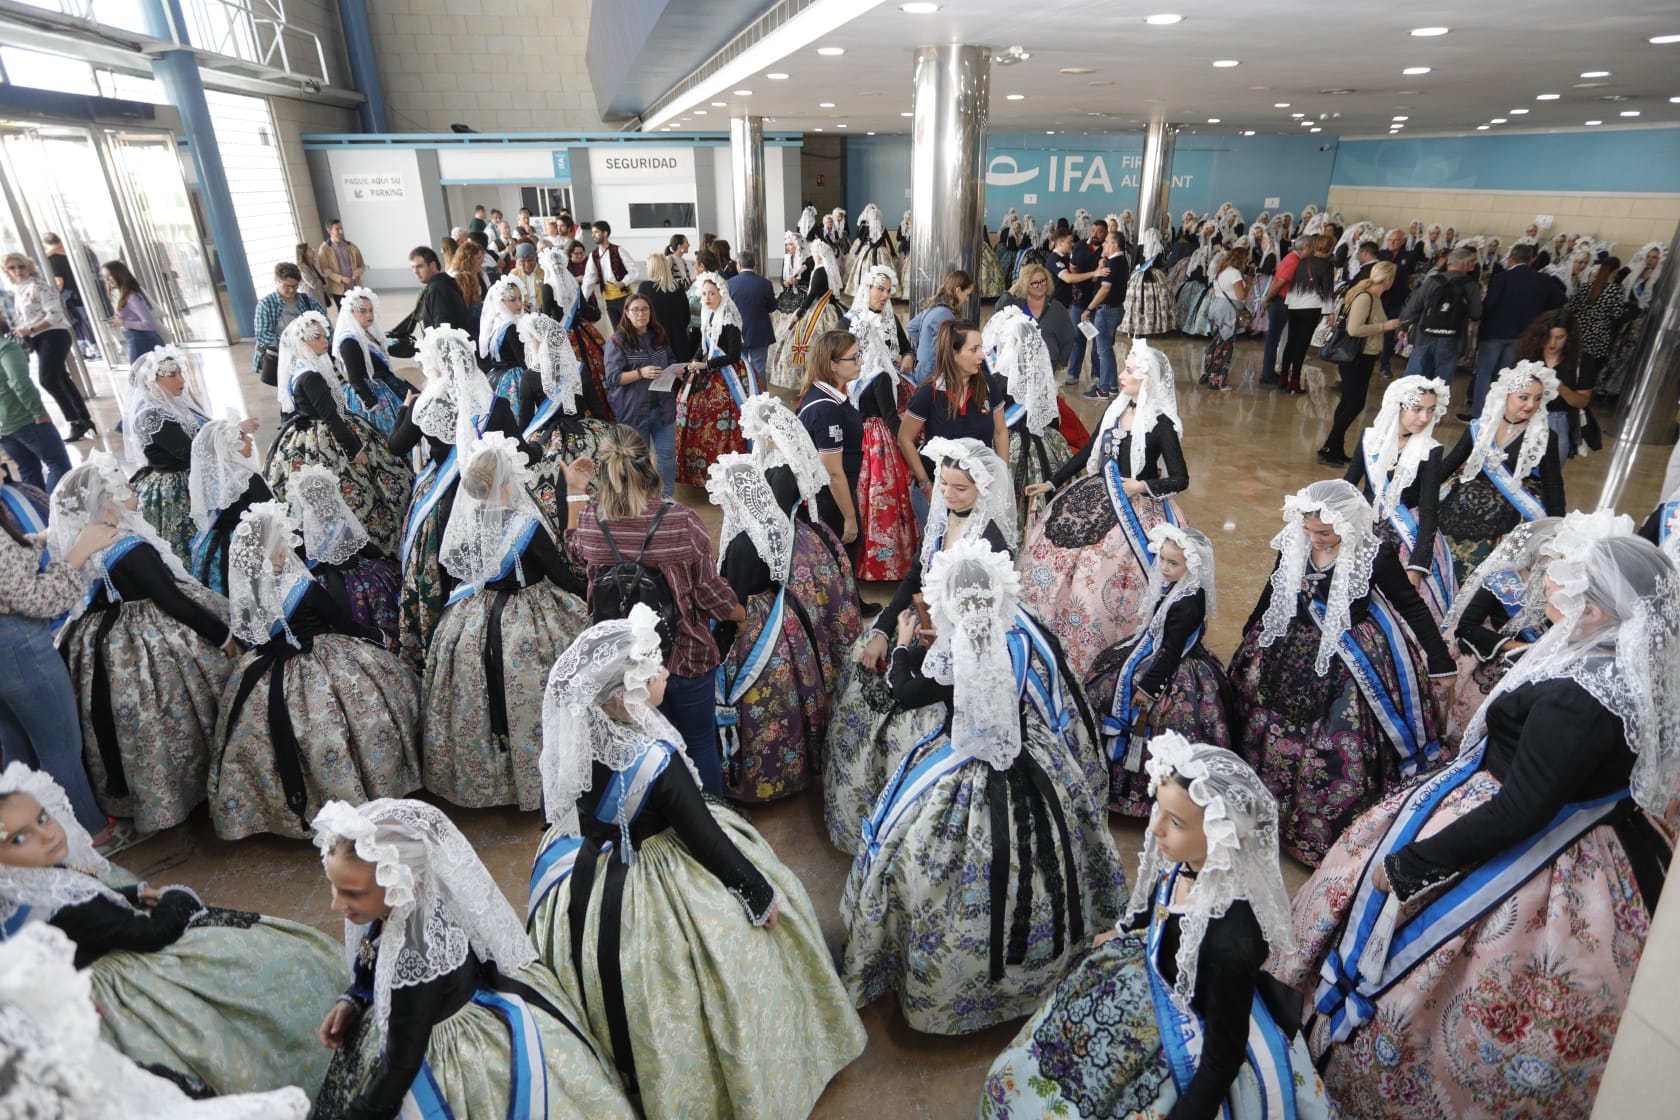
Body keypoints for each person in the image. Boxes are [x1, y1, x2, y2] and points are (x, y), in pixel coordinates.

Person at [1280, 516, 1676, 1119]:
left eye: (1564, 583)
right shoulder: (1611, 666)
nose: (1550, 587)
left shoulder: (1582, 696)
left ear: (1597, 611)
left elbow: (1522, 809)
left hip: (1531, 855)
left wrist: (1412, 863)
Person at [526, 606, 864, 1116]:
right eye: (655, 669)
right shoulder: (654, 761)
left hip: (596, 872)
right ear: (625, 695)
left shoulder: (584, 742)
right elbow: (707, 841)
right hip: (661, 874)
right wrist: (757, 892)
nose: (666, 673)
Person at [839, 538, 1124, 1034]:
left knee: (928, 867)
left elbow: (905, 694)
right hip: (1032, 757)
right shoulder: (1016, 634)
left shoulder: (954, 651)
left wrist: (904, 642)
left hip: (964, 766)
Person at [983, 734, 1333, 1119]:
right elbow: (1162, 907)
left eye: (1176, 822)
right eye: (1158, 811)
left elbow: (1222, 1059)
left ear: (1222, 832)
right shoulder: (1193, 864)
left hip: (1192, 1034)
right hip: (1151, 982)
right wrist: (1126, 929)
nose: (1156, 830)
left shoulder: (1233, 940)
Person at [0, 763, 345, 1100]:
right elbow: (149, 934)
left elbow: (83, 892)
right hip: (123, 979)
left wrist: (133, 893)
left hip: (89, 956)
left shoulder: (28, 885)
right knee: (257, 976)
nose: (46, 835)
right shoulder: (68, 905)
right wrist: (174, 899)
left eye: (42, 818)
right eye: (19, 839)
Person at [310, 798, 636, 1120]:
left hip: (442, 1058)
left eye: (352, 892)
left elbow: (401, 1067)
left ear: (408, 880)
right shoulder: (398, 905)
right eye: (335, 888)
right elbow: (372, 953)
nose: (336, 905)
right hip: (413, 1027)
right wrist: (353, 999)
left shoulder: (417, 953)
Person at [1229, 479, 1456, 866]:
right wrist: (1251, 633)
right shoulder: (1294, 543)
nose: (1314, 538)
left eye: (1325, 531)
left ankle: (1316, 833)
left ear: (1347, 525)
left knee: (1334, 741)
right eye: (1309, 529)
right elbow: (1273, 590)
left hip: (1348, 661)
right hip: (1289, 649)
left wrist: (1440, 661)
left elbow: (1411, 607)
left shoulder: (1376, 554)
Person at [825, 437, 1018, 854]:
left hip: (956, 650)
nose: (946, 494)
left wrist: (914, 645)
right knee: (861, 671)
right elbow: (915, 575)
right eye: (943, 484)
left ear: (983, 489)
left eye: (958, 488)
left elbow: (978, 632)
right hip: (921, 627)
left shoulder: (990, 542)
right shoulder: (945, 514)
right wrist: (881, 630)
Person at [212, 502, 419, 840]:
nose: (284, 551)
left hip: (263, 673)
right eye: (278, 544)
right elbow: (345, 624)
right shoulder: (304, 588)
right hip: (323, 663)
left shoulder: (248, 594)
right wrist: (382, 637)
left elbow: (250, 636)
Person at [48, 457, 234, 835]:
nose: (135, 491)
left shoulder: (88, 543)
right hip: (148, 637)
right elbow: (173, 601)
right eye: (126, 489)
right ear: (107, 502)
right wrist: (223, 636)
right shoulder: (129, 546)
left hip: (99, 640)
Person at [562, 425, 744, 793]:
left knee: (645, 748)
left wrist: (575, 493)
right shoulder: (683, 521)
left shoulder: (592, 522)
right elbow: (709, 594)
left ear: (604, 471)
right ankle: (713, 817)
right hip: (687, 655)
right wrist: (739, 615)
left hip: (626, 665)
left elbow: (573, 551)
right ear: (650, 464)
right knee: (699, 742)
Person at [422, 434, 589, 812]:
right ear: (509, 482)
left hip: (475, 615)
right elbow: (561, 575)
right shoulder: (524, 525)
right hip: (526, 615)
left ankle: (489, 781)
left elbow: (460, 575)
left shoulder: (466, 520)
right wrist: (588, 593)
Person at [1020, 338, 1189, 678]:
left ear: (1148, 381)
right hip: (1096, 492)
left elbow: (1180, 479)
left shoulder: (1161, 425)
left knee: (1103, 575)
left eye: (1129, 371)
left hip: (1137, 506)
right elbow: (1088, 452)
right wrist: (1053, 483)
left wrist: (1141, 486)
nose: (1121, 375)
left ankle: (1102, 649)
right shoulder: (1116, 409)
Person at [387, 324, 522, 673]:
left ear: (437, 364)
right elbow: (517, 452)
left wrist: (406, 408)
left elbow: (396, 446)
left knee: (437, 569)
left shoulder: (428, 405)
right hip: (490, 497)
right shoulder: (496, 404)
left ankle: (444, 636)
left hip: (440, 502)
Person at [706, 453, 840, 802]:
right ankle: (788, 771)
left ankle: (749, 780)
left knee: (753, 705)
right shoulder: (769, 530)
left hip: (747, 626)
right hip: (778, 620)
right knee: (789, 696)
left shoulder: (739, 544)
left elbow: (730, 602)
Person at [1085, 527, 1236, 817]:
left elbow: (1170, 652)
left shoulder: (1189, 602)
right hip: (1159, 654)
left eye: (1173, 563)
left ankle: (1143, 795)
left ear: (1192, 566)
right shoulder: (1179, 587)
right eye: (1163, 560)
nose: (1164, 568)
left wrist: (1147, 688)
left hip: (1173, 668)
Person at [0, 484, 115, 839]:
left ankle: (28, 836)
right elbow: (35, 598)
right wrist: (78, 553)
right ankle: (91, 836)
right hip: (19, 648)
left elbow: (9, 566)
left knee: (18, 750)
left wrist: (48, 536)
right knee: (60, 747)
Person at [265, 312, 412, 559]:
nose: (326, 342)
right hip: (325, 439)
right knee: (364, 485)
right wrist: (356, 450)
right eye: (319, 338)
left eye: (325, 336)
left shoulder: (303, 368)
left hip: (307, 435)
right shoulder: (310, 376)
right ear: (304, 342)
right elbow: (332, 418)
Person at [1437, 361, 1566, 580]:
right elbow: (1449, 464)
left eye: (1537, 398)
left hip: (1511, 510)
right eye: (1523, 397)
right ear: (1505, 395)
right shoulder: (1480, 427)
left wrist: (1558, 528)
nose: (1531, 405)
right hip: (1463, 504)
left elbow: (1553, 483)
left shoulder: (1544, 436)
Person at [1343, 375, 1456, 621]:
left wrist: (1417, 566)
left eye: (1431, 410)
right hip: (1366, 528)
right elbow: (1349, 486)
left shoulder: (1430, 450)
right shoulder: (1369, 439)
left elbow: (1429, 511)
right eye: (1417, 409)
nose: (1424, 418)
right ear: (1398, 407)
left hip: (1407, 537)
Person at [1440, 517, 1558, 745]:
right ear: (1536, 552)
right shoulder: (1501, 580)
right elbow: (1467, 627)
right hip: (1499, 663)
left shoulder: (1564, 587)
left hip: (1543, 666)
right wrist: (1520, 647)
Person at [844, 266, 919, 579]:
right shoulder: (850, 322)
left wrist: (906, 360)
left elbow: (905, 348)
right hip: (868, 408)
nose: (885, 296)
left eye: (889, 291)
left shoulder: (890, 319)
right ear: (867, 289)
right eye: (880, 290)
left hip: (888, 395)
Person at [286, 463, 399, 643]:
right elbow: (365, 547)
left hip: (323, 588)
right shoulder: (340, 521)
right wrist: (385, 557)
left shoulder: (298, 534)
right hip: (360, 580)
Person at [900, 319, 1009, 505]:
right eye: (974, 349)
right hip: (940, 493)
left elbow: (1000, 432)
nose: (982, 355)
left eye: (981, 348)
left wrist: (1001, 476)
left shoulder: (989, 386)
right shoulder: (929, 392)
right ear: (953, 353)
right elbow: (905, 438)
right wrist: (925, 483)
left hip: (980, 490)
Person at [120, 345, 211, 563]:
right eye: (172, 375)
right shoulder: (152, 414)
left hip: (192, 474)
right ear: (151, 381)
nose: (181, 380)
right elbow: (189, 452)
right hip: (176, 487)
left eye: (180, 373)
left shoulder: (173, 403)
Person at [984, 305, 1068, 524]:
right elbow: (1052, 418)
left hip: (1007, 446)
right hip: (1046, 443)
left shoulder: (997, 379)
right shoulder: (1041, 374)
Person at [674, 273, 755, 488]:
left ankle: (722, 472)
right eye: (704, 294)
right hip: (707, 368)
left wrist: (706, 365)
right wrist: (692, 362)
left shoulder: (729, 321)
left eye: (712, 293)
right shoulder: (709, 315)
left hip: (726, 377)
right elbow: (703, 347)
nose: (707, 298)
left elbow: (734, 355)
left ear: (722, 294)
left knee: (717, 416)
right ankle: (697, 470)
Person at [1317, 261, 1402, 466]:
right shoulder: (1365, 297)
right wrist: (1384, 326)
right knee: (1354, 404)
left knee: (1349, 402)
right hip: (1356, 356)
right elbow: (1354, 329)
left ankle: (1335, 447)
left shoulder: (1373, 296)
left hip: (1364, 355)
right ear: (1388, 278)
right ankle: (1329, 447)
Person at [1468, 242, 1566, 417]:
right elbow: (1560, 299)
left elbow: (1489, 305)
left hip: (1494, 333)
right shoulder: (1543, 280)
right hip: (1522, 334)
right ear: (1532, 259)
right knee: (1505, 375)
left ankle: (1478, 415)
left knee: (1484, 374)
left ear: (1511, 259)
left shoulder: (1501, 278)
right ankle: (1497, 414)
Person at [5, 254, 93, 440]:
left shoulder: (39, 286)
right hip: (41, 338)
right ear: (6, 271)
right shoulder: (19, 289)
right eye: (12, 268)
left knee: (47, 379)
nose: (18, 271)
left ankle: (76, 421)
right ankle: (83, 420)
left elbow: (54, 315)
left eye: (21, 266)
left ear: (29, 266)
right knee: (61, 378)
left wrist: (29, 329)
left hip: (53, 335)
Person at [603, 292, 681, 496]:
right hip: (633, 411)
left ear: (650, 312)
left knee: (667, 455)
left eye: (644, 309)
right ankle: (643, 501)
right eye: (635, 310)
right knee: (638, 459)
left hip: (662, 407)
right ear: (626, 313)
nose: (640, 314)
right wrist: (640, 373)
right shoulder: (617, 342)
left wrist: (676, 369)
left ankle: (667, 498)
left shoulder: (658, 334)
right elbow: (613, 378)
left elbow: (670, 358)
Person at [795, 329, 865, 549]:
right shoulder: (826, 409)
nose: (860, 361)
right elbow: (832, 473)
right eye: (854, 357)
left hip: (834, 498)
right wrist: (850, 518)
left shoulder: (825, 395)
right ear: (833, 365)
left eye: (859, 354)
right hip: (831, 504)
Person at [187, 417, 272, 595]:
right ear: (229, 446)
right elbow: (270, 519)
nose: (249, 440)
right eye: (242, 437)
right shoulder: (245, 478)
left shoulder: (211, 480)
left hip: (218, 550)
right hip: (250, 546)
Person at [538, 244, 615, 420]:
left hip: (565, 337)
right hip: (584, 332)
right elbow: (587, 311)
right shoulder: (573, 282)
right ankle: (603, 412)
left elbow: (548, 320)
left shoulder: (547, 286)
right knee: (596, 369)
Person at [0, 316, 72, 490]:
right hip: (25, 418)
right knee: (59, 465)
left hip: (5, 426)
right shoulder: (6, 348)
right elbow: (19, 383)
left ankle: (38, 514)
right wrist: (39, 413)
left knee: (29, 470)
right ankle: (51, 512)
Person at [768, 233, 844, 391]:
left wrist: (799, 314)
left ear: (818, 254)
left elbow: (811, 296)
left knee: (801, 341)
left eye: (814, 254)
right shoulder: (826, 270)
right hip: (829, 306)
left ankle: (806, 378)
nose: (813, 256)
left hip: (819, 309)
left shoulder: (819, 271)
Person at [333, 287, 409, 437]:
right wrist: (372, 404)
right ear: (351, 313)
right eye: (362, 311)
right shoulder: (349, 341)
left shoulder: (367, 333)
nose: (369, 314)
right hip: (370, 394)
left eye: (370, 310)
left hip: (385, 385)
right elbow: (355, 379)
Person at [1402, 245, 1483, 384]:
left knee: (1414, 380)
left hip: (1424, 335)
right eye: (1472, 261)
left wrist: (1403, 327)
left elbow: (1413, 306)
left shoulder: (1433, 281)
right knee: (1441, 383)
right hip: (1451, 338)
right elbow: (1476, 313)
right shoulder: (1471, 286)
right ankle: (1436, 405)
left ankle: (1410, 404)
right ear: (1464, 263)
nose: (1475, 264)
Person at [1276, 234, 1334, 394]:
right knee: (1301, 345)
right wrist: (1330, 312)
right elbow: (1328, 290)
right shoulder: (1327, 266)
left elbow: (1294, 284)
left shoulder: (1303, 261)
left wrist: (1288, 303)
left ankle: (1282, 377)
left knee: (1291, 342)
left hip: (1293, 304)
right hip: (1310, 308)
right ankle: (1294, 381)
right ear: (1330, 248)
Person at [254, 262, 328, 379]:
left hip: (312, 357)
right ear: (276, 281)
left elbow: (326, 324)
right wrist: (295, 343)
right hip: (283, 360)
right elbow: (263, 336)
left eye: (295, 286)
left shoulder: (308, 301)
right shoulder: (266, 304)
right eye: (287, 286)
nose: (291, 290)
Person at [1565, 254, 1627, 392]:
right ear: (1615, 272)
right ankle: (1583, 392)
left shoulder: (1586, 286)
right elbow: (1617, 314)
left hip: (1580, 329)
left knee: (1575, 361)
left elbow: (1570, 306)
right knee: (1589, 367)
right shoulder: (1616, 290)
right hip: (1599, 333)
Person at [1083, 229, 1129, 398]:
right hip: (1115, 309)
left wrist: (1089, 308)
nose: (1103, 244)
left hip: (1106, 310)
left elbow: (1105, 289)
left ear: (1114, 245)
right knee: (1107, 350)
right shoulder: (1121, 260)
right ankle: (1112, 386)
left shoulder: (1114, 263)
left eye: (1107, 242)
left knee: (1102, 351)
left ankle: (1103, 388)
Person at [477, 275, 532, 414]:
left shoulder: (497, 325)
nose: (519, 304)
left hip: (495, 376)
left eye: (520, 298)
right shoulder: (511, 327)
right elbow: (523, 360)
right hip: (514, 379)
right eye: (513, 300)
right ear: (501, 301)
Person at [1201, 244, 1252, 393]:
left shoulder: (1221, 271)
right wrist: (1249, 284)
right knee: (1225, 346)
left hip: (1217, 309)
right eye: (1246, 260)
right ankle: (1218, 380)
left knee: (1215, 344)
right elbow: (1241, 295)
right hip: (1228, 312)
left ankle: (1208, 374)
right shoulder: (1235, 273)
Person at [906, 269, 971, 386]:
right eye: (967, 294)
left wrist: (922, 346)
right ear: (958, 291)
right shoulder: (946, 314)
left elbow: (911, 327)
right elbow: (943, 350)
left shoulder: (932, 307)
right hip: (933, 372)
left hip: (921, 368)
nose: (967, 299)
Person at [40, 232, 98, 360]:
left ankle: (85, 350)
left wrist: (54, 295)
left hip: (68, 296)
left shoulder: (51, 258)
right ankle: (94, 348)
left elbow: (59, 281)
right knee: (85, 321)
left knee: (76, 323)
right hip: (81, 292)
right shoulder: (70, 254)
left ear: (44, 243)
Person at [726, 248, 777, 386]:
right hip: (760, 331)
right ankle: (761, 399)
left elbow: (727, 309)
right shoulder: (765, 283)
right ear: (754, 265)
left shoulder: (730, 284)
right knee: (759, 368)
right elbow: (773, 306)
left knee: (739, 368)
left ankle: (743, 397)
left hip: (737, 332)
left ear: (739, 265)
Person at [636, 251, 695, 365]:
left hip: (656, 343)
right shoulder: (678, 287)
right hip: (680, 343)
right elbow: (686, 317)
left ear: (652, 268)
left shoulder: (645, 287)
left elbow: (639, 318)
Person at [1120, 228, 1177, 339]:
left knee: (1144, 302)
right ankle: (1153, 327)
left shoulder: (1155, 248)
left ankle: (1142, 326)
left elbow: (1134, 264)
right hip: (1154, 277)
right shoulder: (1157, 248)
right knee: (1154, 302)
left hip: (1143, 278)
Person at [583, 220, 638, 326]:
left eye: (596, 232)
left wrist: (623, 282)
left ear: (605, 233)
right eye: (592, 232)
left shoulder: (619, 250)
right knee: (617, 330)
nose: (593, 235)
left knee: (630, 327)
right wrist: (583, 298)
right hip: (609, 299)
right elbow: (589, 278)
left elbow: (634, 270)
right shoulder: (593, 255)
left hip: (624, 297)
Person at [408, 245, 471, 337]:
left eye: (419, 266)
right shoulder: (445, 282)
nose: (415, 271)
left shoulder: (437, 289)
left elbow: (443, 328)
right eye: (413, 267)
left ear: (433, 265)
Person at [841, 204, 901, 297]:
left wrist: (892, 251)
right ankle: (866, 291)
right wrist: (857, 251)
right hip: (868, 250)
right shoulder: (867, 228)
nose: (874, 220)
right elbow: (863, 240)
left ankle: (884, 290)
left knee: (883, 270)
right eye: (873, 218)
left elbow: (888, 240)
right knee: (865, 269)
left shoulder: (883, 229)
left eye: (876, 217)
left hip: (880, 251)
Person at [316, 219, 365, 312]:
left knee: (359, 310)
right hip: (338, 289)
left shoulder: (351, 246)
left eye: (341, 228)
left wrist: (357, 272)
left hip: (355, 286)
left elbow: (361, 265)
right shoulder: (324, 249)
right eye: (337, 229)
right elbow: (325, 270)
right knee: (344, 312)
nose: (341, 231)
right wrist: (341, 278)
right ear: (329, 231)